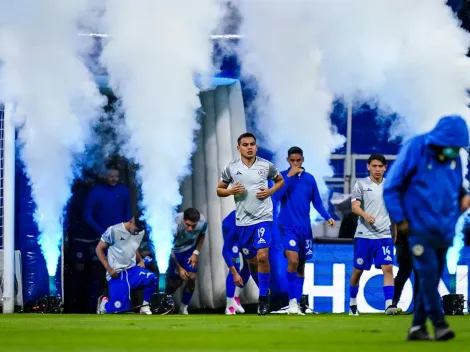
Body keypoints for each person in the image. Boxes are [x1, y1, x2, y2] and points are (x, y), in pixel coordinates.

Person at [383, 115, 470, 341]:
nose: (454, 151)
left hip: (445, 229)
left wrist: (464, 199)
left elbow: (458, 189)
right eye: (451, 146)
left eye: (458, 147)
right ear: (441, 140)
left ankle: (417, 327)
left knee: (430, 277)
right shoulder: (416, 148)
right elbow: (391, 187)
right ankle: (440, 323)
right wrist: (401, 219)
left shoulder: (454, 158)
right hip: (418, 227)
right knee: (429, 273)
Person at [217, 132, 285, 315]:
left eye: (252, 144)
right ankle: (265, 290)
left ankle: (262, 298)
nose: (249, 147)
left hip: (263, 218)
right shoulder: (231, 168)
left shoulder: (266, 165)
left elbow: (280, 181)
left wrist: (270, 191)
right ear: (238, 147)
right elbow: (219, 190)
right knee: (252, 263)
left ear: (256, 147)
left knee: (263, 256)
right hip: (243, 221)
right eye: (245, 144)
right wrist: (231, 191)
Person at [272, 146, 336, 314]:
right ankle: (291, 302)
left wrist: (327, 216)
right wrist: (288, 178)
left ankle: (299, 302)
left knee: (301, 265)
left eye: (298, 160)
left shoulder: (309, 179)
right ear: (287, 160)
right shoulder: (281, 177)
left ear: (302, 160)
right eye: (292, 160)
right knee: (292, 260)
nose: (295, 163)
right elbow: (276, 197)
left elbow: (317, 202)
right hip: (287, 226)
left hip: (304, 228)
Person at [348, 153, 401, 316]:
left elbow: (393, 210)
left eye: (380, 166)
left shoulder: (390, 186)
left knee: (388, 268)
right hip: (364, 235)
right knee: (358, 271)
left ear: (385, 168)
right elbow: (354, 207)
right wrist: (365, 215)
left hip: (384, 235)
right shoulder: (361, 184)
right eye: (374, 166)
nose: (377, 169)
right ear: (368, 167)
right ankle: (352, 304)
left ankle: (388, 305)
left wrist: (395, 230)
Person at [96, 217, 157, 315]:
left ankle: (145, 308)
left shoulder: (140, 232)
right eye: (136, 230)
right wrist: (109, 269)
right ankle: (104, 303)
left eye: (139, 231)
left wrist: (140, 260)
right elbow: (98, 249)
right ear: (131, 221)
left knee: (152, 278)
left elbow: (133, 246)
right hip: (117, 273)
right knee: (118, 311)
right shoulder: (114, 230)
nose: (137, 233)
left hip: (132, 271)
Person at [166, 208, 207, 315]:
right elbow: (167, 247)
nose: (190, 228)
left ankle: (183, 308)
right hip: (173, 252)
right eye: (187, 225)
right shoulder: (174, 225)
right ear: (183, 219)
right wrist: (179, 268)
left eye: (193, 226)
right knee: (174, 283)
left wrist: (196, 252)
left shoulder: (202, 222)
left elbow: (202, 235)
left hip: (188, 250)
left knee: (192, 277)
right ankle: (164, 302)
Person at [222, 210, 251, 315]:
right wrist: (234, 273)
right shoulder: (234, 228)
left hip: (246, 231)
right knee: (236, 266)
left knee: (250, 266)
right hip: (231, 226)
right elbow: (225, 251)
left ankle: (235, 296)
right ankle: (229, 305)